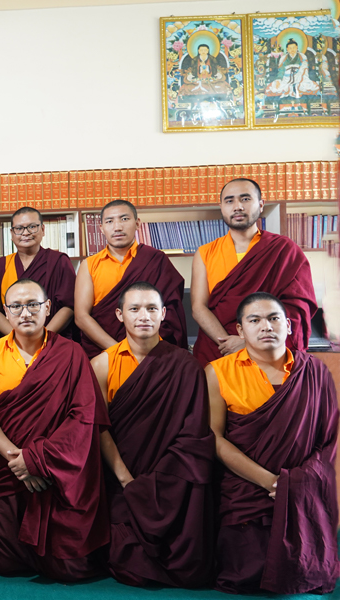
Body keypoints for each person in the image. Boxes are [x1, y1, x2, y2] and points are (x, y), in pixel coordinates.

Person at [0, 279, 109, 580]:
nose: (25, 313)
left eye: (33, 304)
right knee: (3, 561)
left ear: (47, 308)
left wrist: (39, 460)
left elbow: (83, 418)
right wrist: (19, 460)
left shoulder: (71, 354)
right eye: (17, 306)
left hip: (57, 467)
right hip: (9, 467)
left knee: (68, 567)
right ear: (6, 312)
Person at [207, 292, 339, 594]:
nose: (266, 326)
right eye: (254, 320)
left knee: (304, 570)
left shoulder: (314, 371)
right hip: (246, 486)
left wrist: (295, 483)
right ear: (240, 330)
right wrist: (270, 481)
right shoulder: (217, 372)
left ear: (288, 326)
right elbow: (214, 438)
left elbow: (327, 438)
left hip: (301, 486)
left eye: (274, 318)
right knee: (245, 572)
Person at [89, 282, 215, 588]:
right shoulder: (102, 364)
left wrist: (161, 481)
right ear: (120, 314)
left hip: (171, 481)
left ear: (164, 314)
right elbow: (98, 428)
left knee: (190, 563)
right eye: (134, 309)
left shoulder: (186, 366)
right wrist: (126, 480)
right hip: (120, 477)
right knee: (125, 560)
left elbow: (194, 434)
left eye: (151, 309)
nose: (143, 316)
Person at [191, 178, 316, 365]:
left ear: (261, 204)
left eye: (245, 199)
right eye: (229, 201)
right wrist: (228, 344)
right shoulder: (205, 253)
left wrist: (248, 344)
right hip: (218, 350)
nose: (238, 206)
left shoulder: (283, 249)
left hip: (268, 350)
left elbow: (296, 307)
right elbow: (198, 308)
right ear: (221, 207)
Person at [75, 199, 186, 358]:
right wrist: (118, 350)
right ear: (101, 228)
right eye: (109, 221)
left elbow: (170, 312)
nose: (117, 227)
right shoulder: (89, 265)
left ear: (137, 223)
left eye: (124, 219)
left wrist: (145, 351)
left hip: (152, 352)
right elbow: (81, 317)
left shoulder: (155, 260)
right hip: (106, 352)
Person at [0, 207, 76, 339]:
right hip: (12, 341)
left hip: (52, 339)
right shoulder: (0, 266)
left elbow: (69, 305)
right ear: (12, 233)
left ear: (43, 229)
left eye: (32, 227)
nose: (26, 233)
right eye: (19, 228)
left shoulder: (58, 261)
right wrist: (17, 338)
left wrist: (42, 337)